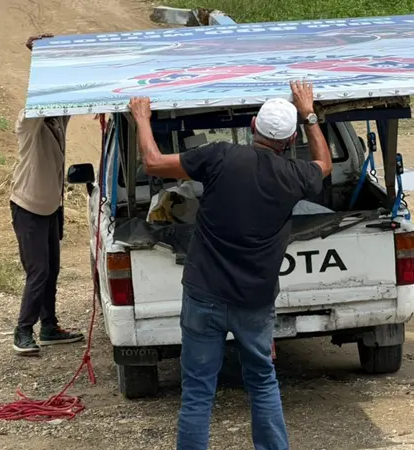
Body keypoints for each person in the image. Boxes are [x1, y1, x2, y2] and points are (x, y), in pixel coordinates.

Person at [127, 81, 332, 450]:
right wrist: (309, 113)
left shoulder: (220, 156)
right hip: (254, 303)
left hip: (205, 293)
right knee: (263, 382)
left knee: (198, 389)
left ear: (252, 126)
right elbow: (325, 163)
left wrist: (142, 118)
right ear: (289, 141)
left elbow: (153, 163)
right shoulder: (295, 177)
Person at [10, 35, 84, 356]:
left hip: (51, 205)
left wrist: (60, 59)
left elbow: (69, 93)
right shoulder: (29, 122)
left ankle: (49, 325)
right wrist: (40, 59)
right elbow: (39, 94)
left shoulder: (57, 121)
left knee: (52, 269)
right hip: (28, 206)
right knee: (38, 270)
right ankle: (22, 331)